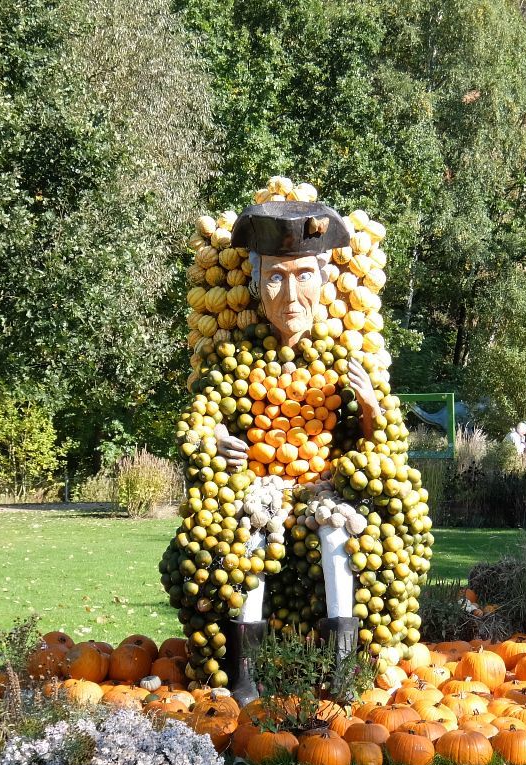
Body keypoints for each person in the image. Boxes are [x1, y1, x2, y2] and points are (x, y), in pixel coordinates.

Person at [161, 186, 432, 705]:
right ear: (258, 286)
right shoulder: (233, 359)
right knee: (248, 538)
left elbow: (389, 442)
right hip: (259, 489)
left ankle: (343, 672)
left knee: (339, 537)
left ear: (324, 283)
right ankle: (244, 677)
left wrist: (372, 408)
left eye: (304, 277)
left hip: (322, 491)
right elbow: (196, 424)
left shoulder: (341, 358)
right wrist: (213, 441)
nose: (290, 297)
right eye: (277, 279)